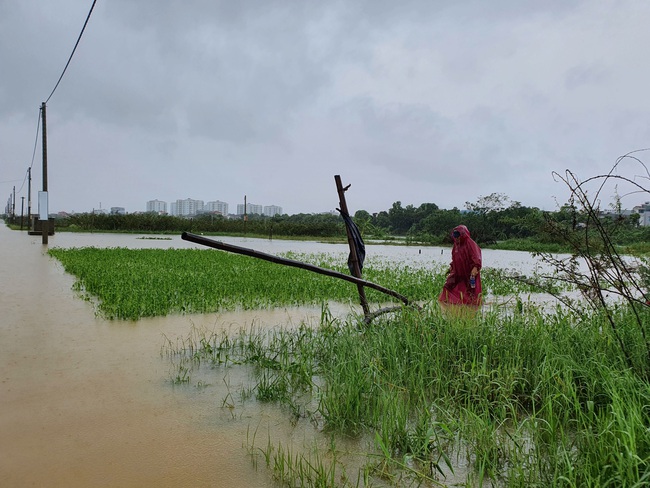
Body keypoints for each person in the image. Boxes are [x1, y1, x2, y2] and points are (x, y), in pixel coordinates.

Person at [438, 224, 482, 307]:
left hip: (469, 272)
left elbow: (476, 256)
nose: (457, 238)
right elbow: (455, 258)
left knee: (470, 291)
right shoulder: (456, 245)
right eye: (455, 236)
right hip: (458, 272)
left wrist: (475, 267)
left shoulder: (470, 244)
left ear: (463, 235)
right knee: (448, 286)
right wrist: (451, 267)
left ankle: (470, 307)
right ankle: (450, 306)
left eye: (458, 236)